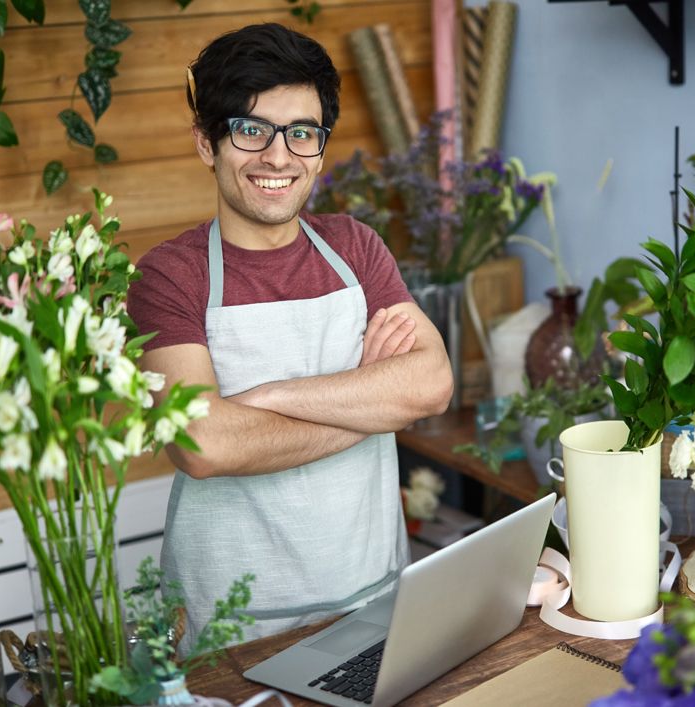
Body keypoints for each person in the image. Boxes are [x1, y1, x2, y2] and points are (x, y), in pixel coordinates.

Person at [128, 22, 453, 652]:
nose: (279, 158)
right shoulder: (169, 275)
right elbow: (201, 445)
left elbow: (433, 385)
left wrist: (261, 399)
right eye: (252, 130)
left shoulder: (356, 248)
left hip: (374, 599)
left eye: (302, 133)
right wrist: (376, 404)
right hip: (230, 626)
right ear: (207, 142)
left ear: (321, 148)